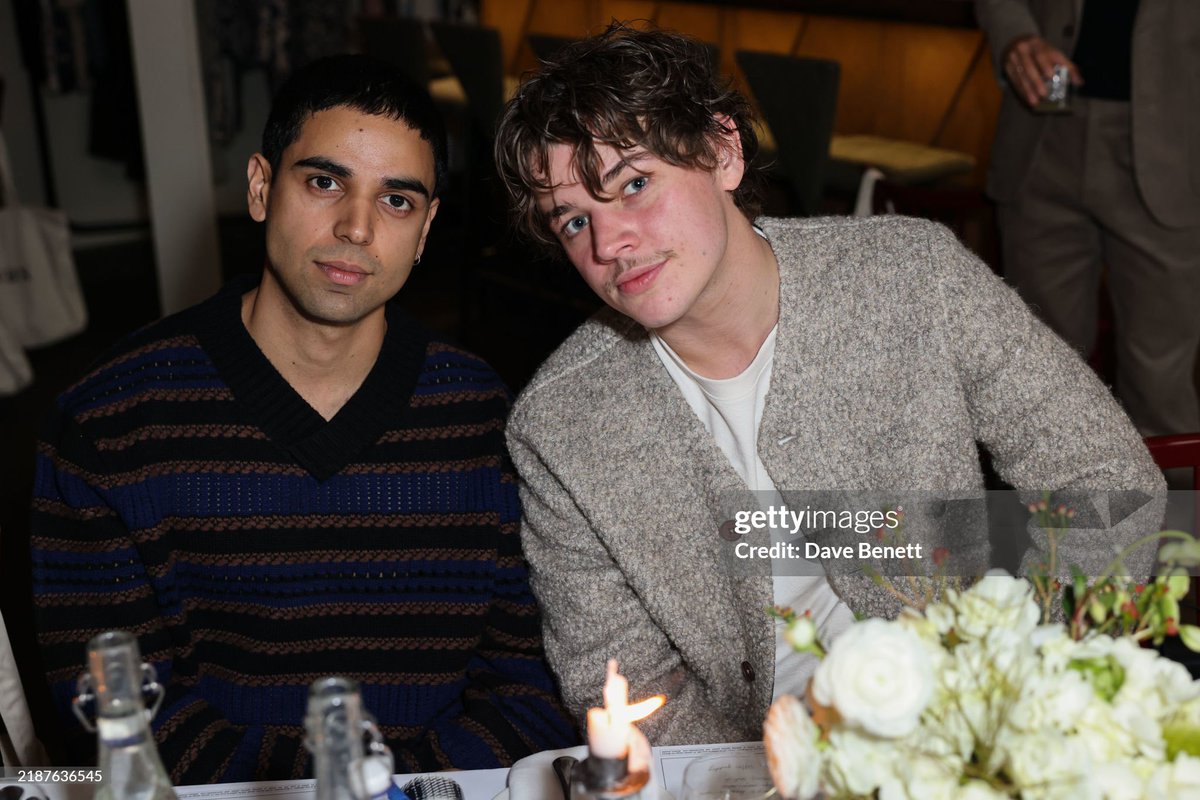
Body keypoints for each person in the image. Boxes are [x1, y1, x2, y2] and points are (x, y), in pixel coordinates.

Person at [492, 24, 1164, 746]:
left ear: (722, 150)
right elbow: (620, 684)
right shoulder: (561, 423)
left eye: (634, 183)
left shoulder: (912, 276)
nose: (608, 243)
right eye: (572, 220)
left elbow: (1105, 482)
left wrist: (1013, 693)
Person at [30, 54, 575, 782]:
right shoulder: (109, 423)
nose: (356, 227)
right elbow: (110, 719)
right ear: (260, 188)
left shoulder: (482, 417)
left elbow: (530, 689)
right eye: (325, 182)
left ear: (426, 228)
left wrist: (399, 792)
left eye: (397, 201)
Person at [975, 0, 1200, 436]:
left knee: (1160, 394)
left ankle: (1171, 506)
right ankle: (1048, 508)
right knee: (1042, 388)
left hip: (1175, 146)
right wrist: (1015, 38)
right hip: (1041, 135)